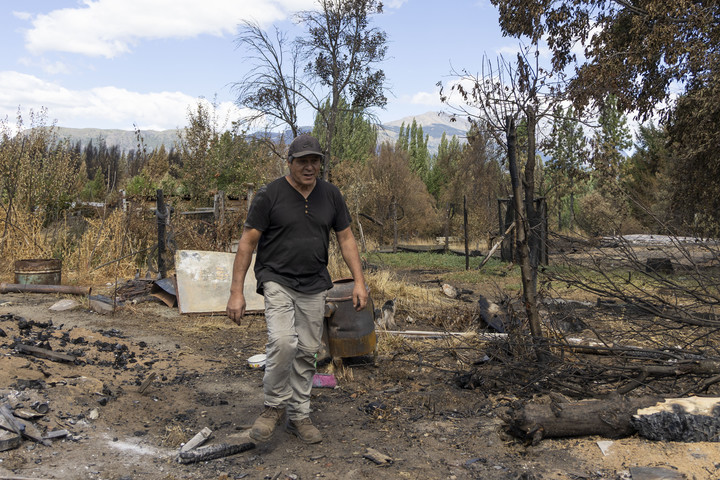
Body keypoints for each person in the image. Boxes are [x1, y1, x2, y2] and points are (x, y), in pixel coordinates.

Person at [226, 133, 368, 444]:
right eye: (302, 160)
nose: (309, 166)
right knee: (283, 342)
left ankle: (298, 415)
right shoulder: (270, 195)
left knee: (307, 350)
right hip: (277, 278)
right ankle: (273, 406)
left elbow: (346, 238)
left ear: (320, 163)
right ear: (290, 162)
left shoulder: (331, 195)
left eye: (314, 160)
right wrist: (236, 292)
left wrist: (359, 281)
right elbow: (248, 243)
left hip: (315, 282)